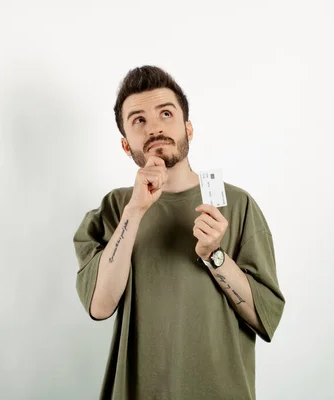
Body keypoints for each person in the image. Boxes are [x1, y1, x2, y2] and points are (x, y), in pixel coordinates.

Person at [73, 65, 285, 400]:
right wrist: (135, 210)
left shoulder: (238, 204)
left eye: (166, 113)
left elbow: (264, 317)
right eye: (138, 120)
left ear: (188, 128)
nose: (154, 127)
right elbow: (100, 306)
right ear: (126, 145)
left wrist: (215, 256)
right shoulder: (114, 209)